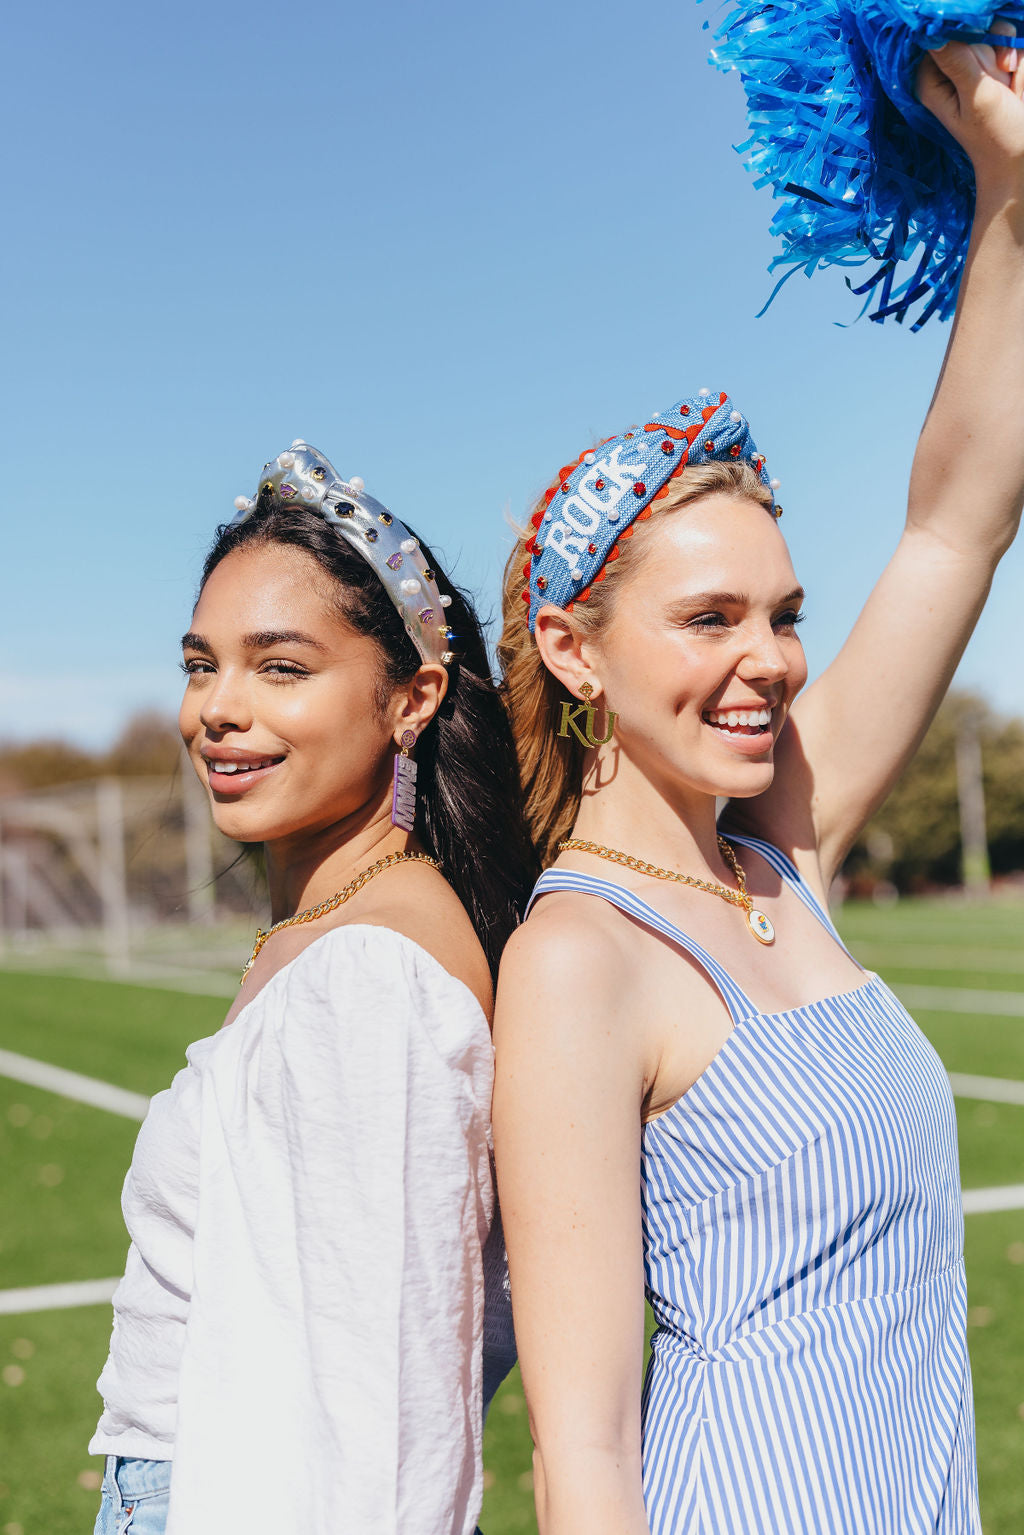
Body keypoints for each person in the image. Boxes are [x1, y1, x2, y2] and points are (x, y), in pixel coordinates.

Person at [492, 35, 1024, 1535]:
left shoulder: (782, 847)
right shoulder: (575, 957)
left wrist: (1009, 193)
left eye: (785, 614)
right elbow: (584, 1446)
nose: (772, 660)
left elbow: (954, 526)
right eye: (711, 619)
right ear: (573, 650)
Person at [90, 441, 532, 1534]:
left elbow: (386, 1415)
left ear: (410, 699)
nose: (217, 710)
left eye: (280, 667)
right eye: (202, 663)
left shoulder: (374, 973)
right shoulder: (327, 931)